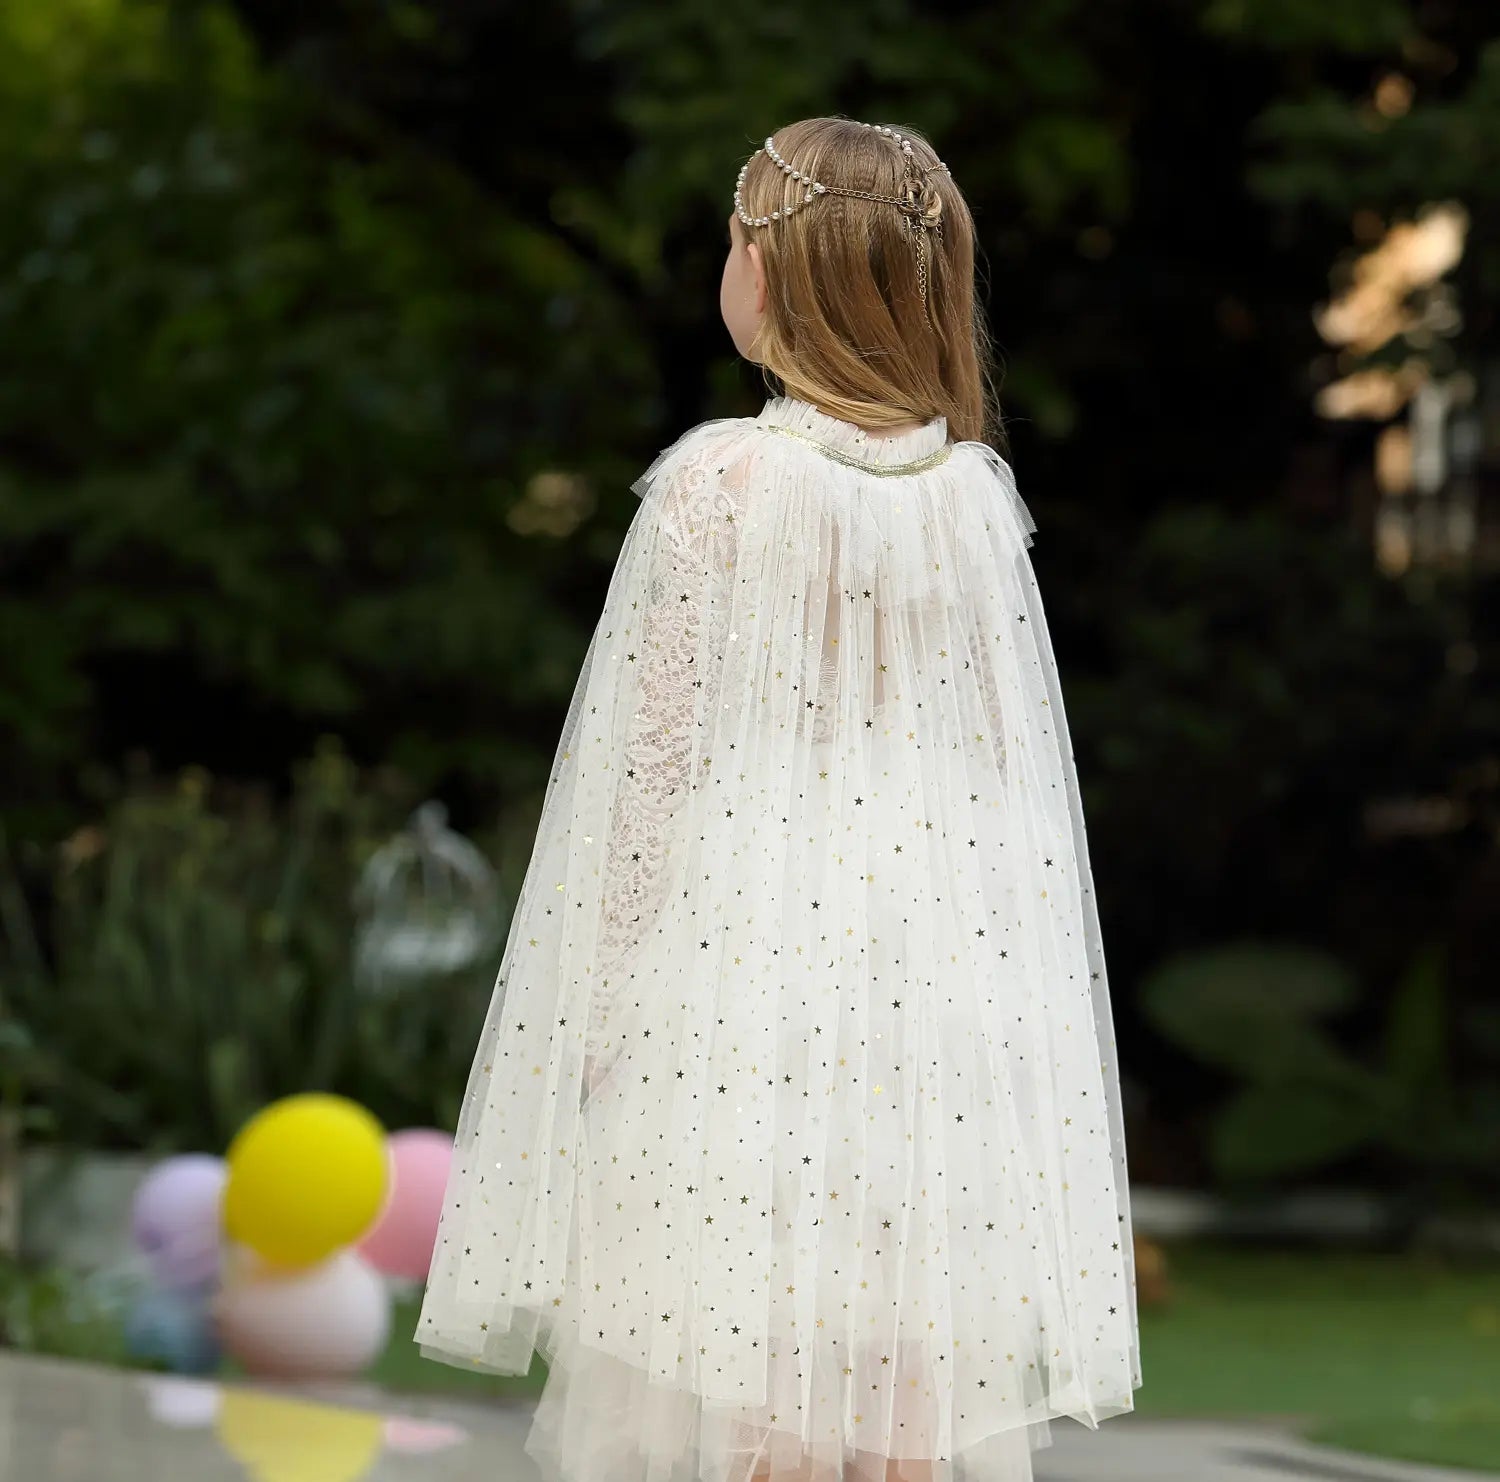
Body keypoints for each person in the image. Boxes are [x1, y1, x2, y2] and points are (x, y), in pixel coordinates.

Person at [416, 115, 1142, 1482]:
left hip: (738, 995)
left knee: (732, 1379)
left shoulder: (719, 487)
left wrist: (591, 1025)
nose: (726, 262)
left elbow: (646, 781)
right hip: (938, 1010)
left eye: (739, 236)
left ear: (783, 272)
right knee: (897, 1378)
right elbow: (1009, 797)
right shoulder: (976, 498)